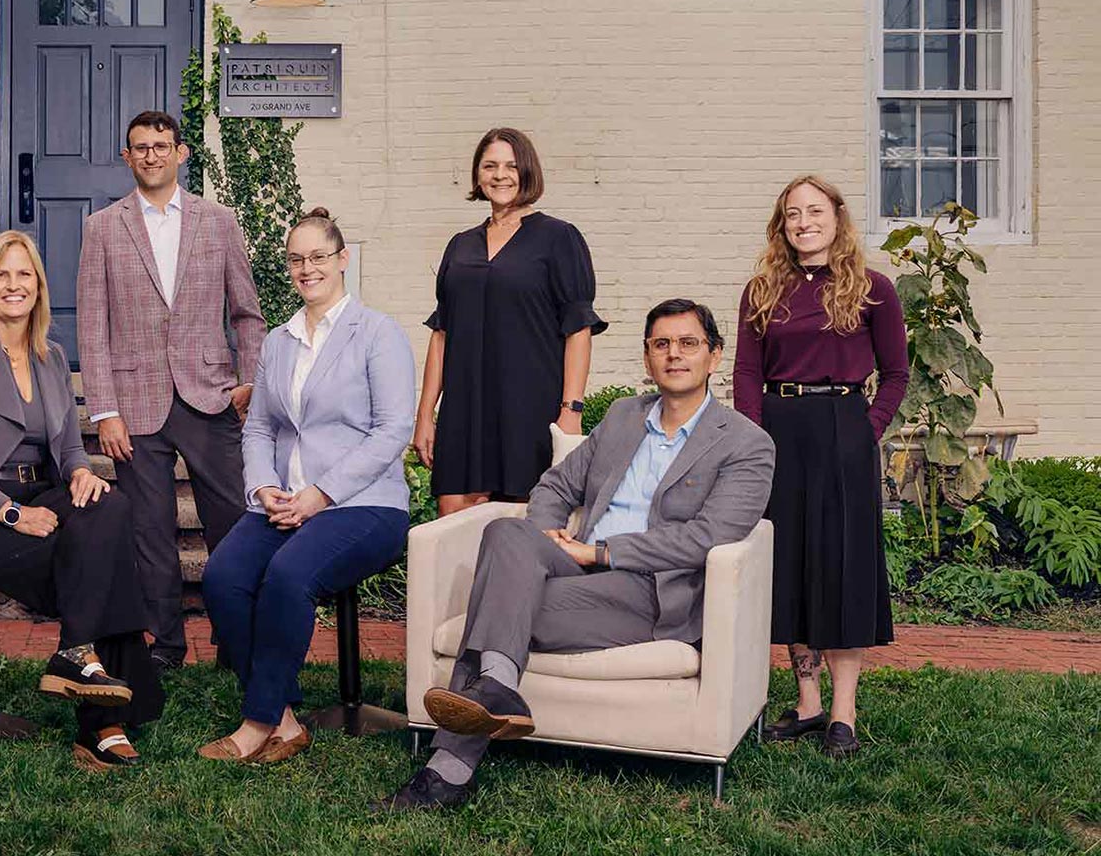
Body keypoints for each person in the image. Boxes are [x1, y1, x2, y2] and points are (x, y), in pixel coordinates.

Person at [378, 299, 776, 811]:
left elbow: (707, 535)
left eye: (688, 343)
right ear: (647, 357)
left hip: (650, 590)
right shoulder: (624, 416)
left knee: (499, 607)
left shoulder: (745, 443)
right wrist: (549, 536)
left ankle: (446, 772)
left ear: (714, 355)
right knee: (507, 531)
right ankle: (496, 687)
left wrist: (602, 553)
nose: (674, 354)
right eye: (661, 344)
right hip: (574, 562)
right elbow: (556, 484)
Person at [0, 231, 164, 771]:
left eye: (24, 274)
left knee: (110, 508)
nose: (13, 285)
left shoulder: (52, 356)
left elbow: (67, 447)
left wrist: (82, 473)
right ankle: (103, 724)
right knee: (97, 561)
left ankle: (75, 655)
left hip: (38, 491)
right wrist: (11, 513)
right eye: (1, 274)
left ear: (39, 287)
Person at [199, 210, 416, 763]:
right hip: (285, 503)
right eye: (296, 259)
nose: (307, 268)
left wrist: (321, 494)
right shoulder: (279, 341)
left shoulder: (377, 333)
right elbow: (260, 427)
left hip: (363, 505)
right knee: (223, 576)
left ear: (343, 260)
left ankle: (257, 722)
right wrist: (263, 488)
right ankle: (286, 719)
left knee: (289, 573)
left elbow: (393, 429)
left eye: (318, 256)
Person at [77, 109, 267, 670]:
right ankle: (165, 645)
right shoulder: (102, 228)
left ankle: (236, 636)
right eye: (140, 147)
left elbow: (247, 314)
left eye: (161, 146)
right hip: (134, 404)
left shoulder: (219, 222)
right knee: (149, 530)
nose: (151, 155)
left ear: (181, 153)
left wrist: (250, 382)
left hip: (211, 395)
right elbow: (92, 326)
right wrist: (104, 410)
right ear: (127, 157)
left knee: (232, 520)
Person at [734, 175, 909, 759]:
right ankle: (807, 702)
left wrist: (867, 429)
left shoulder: (874, 289)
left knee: (841, 565)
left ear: (837, 217)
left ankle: (843, 713)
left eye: (814, 211)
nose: (804, 222)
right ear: (781, 225)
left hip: (842, 430)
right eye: (793, 214)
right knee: (790, 563)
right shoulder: (763, 291)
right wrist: (756, 439)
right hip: (779, 431)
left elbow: (897, 373)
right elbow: (746, 373)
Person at [414, 127, 607, 514]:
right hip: (463, 411)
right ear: (477, 174)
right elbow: (442, 335)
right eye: (490, 166)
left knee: (521, 528)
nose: (500, 175)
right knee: (452, 526)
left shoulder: (560, 238)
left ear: (528, 171)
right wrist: (425, 415)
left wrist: (571, 411)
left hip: (529, 409)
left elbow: (578, 330)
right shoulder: (459, 245)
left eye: (511, 166)